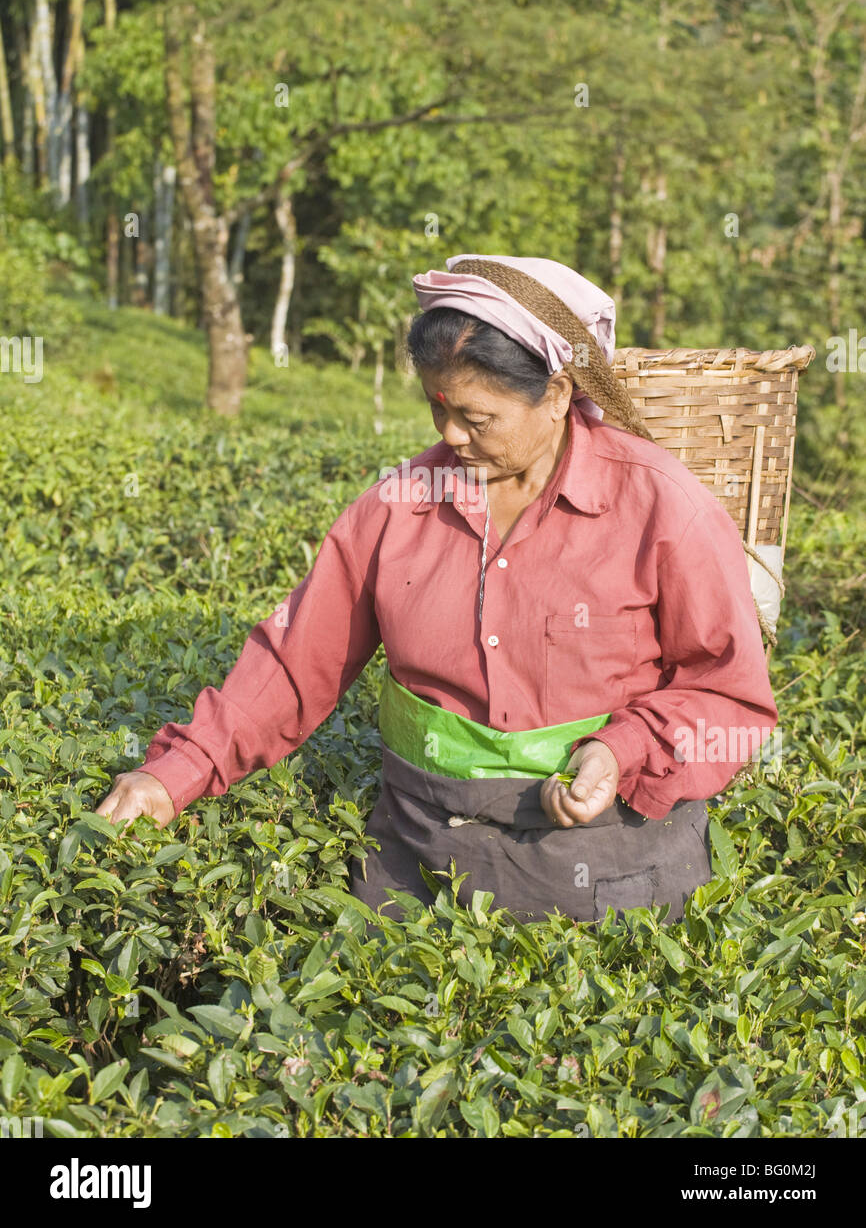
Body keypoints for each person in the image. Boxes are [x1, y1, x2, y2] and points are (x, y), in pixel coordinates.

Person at [96, 254, 778, 925]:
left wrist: (620, 749)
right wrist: (177, 771)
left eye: (478, 419)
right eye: (437, 408)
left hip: (611, 871)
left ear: (559, 395)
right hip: (419, 870)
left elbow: (731, 696)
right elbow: (293, 663)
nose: (452, 436)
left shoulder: (662, 506)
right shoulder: (399, 504)